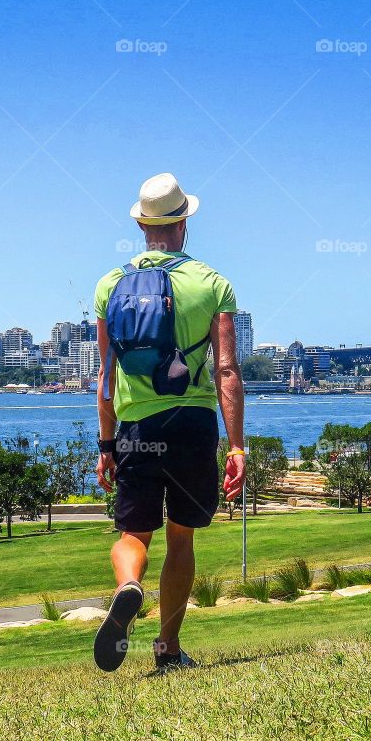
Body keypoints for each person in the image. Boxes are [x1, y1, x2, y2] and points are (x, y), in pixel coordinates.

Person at [92, 172, 245, 675]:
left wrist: (106, 446)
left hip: (135, 429)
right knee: (182, 537)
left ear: (141, 224)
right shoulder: (212, 284)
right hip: (192, 425)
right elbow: (226, 369)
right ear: (183, 223)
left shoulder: (109, 286)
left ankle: (127, 587)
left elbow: (104, 378)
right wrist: (237, 447)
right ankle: (169, 651)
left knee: (133, 533)